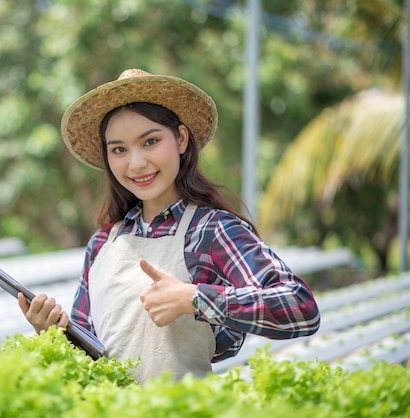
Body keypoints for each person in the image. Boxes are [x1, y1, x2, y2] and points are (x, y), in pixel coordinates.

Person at [18, 68, 320, 384]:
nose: (136, 163)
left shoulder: (212, 230)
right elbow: (91, 358)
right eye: (119, 149)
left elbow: (300, 308)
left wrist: (193, 299)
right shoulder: (102, 243)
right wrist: (52, 332)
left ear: (181, 139)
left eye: (150, 141)